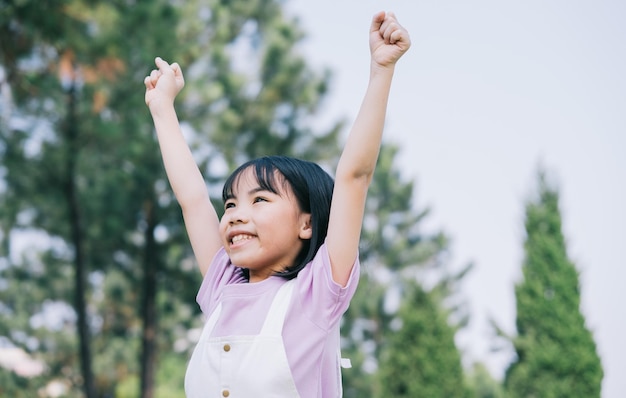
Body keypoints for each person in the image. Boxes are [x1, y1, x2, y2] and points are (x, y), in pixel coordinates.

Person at [144, 10, 410, 398]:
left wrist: (381, 70)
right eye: (231, 204)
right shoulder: (222, 287)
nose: (235, 215)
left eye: (260, 199)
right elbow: (193, 199)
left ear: (307, 224)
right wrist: (162, 109)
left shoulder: (316, 293)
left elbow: (354, 176)